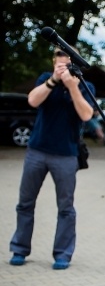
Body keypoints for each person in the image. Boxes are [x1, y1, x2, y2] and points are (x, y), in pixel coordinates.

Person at [9, 49, 95, 269]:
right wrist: (53, 80)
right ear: (54, 60)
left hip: (66, 155)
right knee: (25, 203)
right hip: (37, 151)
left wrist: (73, 86)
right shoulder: (45, 79)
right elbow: (33, 100)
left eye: (68, 55)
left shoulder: (85, 85)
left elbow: (86, 115)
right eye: (59, 54)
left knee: (66, 207)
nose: (64, 58)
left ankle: (62, 254)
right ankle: (19, 249)